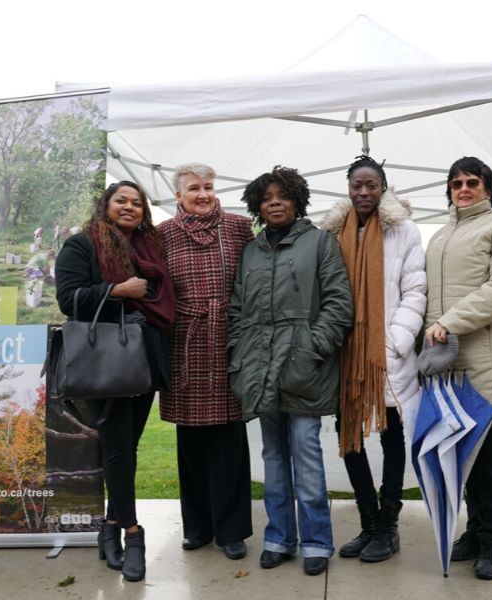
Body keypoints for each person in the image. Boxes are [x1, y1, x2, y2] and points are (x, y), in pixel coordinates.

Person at [228, 166, 353, 577]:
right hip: (261, 370)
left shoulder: (319, 243)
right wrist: (239, 353)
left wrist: (311, 347)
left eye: (282, 195)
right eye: (267, 198)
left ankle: (317, 541)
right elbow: (236, 310)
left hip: (304, 371)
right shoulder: (251, 250)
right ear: (258, 207)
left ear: (298, 201)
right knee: (273, 460)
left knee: (307, 456)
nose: (275, 202)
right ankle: (279, 537)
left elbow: (338, 305)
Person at [55, 181, 176, 582]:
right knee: (119, 449)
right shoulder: (82, 245)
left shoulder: (149, 249)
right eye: (121, 200)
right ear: (105, 205)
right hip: (103, 363)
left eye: (137, 202)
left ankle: (108, 529)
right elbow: (69, 299)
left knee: (124, 448)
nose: (129, 207)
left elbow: (159, 299)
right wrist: (117, 290)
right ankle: (132, 533)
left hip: (141, 362)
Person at [424, 156, 492, 580]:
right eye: (456, 183)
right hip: (453, 366)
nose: (463, 189)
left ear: (488, 187)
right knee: (464, 455)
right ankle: (475, 529)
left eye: (472, 182)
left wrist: (448, 322)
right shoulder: (438, 236)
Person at [319, 155, 426, 563]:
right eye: (357, 186)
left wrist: (394, 340)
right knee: (350, 439)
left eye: (371, 185)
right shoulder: (330, 235)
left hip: (386, 354)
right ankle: (369, 522)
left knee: (392, 435)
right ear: (347, 188)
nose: (364, 192)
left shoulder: (404, 230)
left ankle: (389, 523)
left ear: (384, 188)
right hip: (344, 354)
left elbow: (415, 289)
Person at [157, 163, 254, 560]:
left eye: (208, 187)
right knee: (191, 442)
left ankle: (231, 531)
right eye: (194, 188)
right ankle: (197, 526)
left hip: (228, 340)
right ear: (178, 196)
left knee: (229, 442)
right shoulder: (161, 234)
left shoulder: (237, 227)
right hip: (184, 342)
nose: (202, 194)